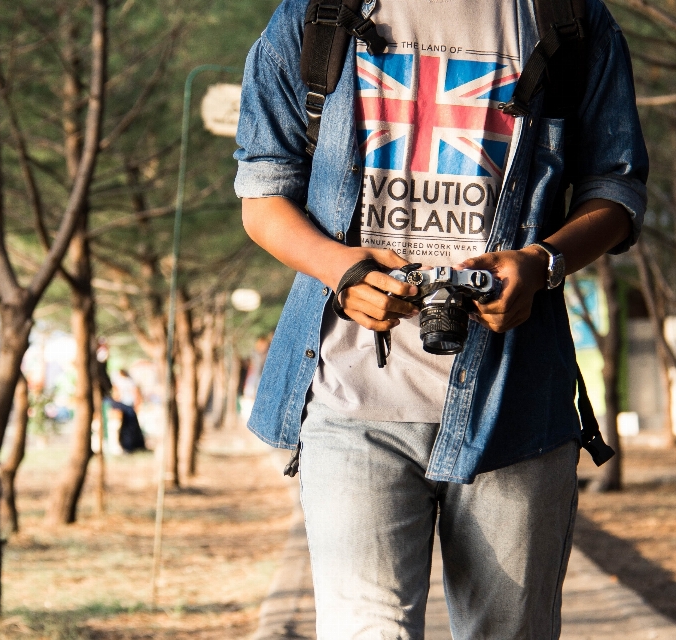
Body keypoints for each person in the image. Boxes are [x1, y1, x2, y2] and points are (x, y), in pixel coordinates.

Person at [234, 1, 647, 637]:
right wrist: (340, 269)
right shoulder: (317, 14)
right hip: (350, 396)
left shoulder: (567, 15)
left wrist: (542, 263)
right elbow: (263, 193)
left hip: (514, 401)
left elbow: (616, 189)